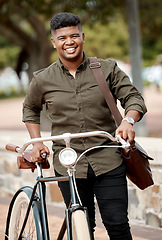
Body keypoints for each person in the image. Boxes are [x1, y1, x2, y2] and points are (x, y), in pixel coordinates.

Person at [23, 12, 147, 240]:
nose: (69, 42)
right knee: (81, 227)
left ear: (82, 36)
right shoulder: (43, 79)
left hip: (108, 159)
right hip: (67, 163)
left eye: (74, 36)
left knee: (118, 224)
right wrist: (38, 141)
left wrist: (129, 120)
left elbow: (133, 98)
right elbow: (30, 109)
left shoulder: (107, 69)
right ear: (53, 42)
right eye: (62, 38)